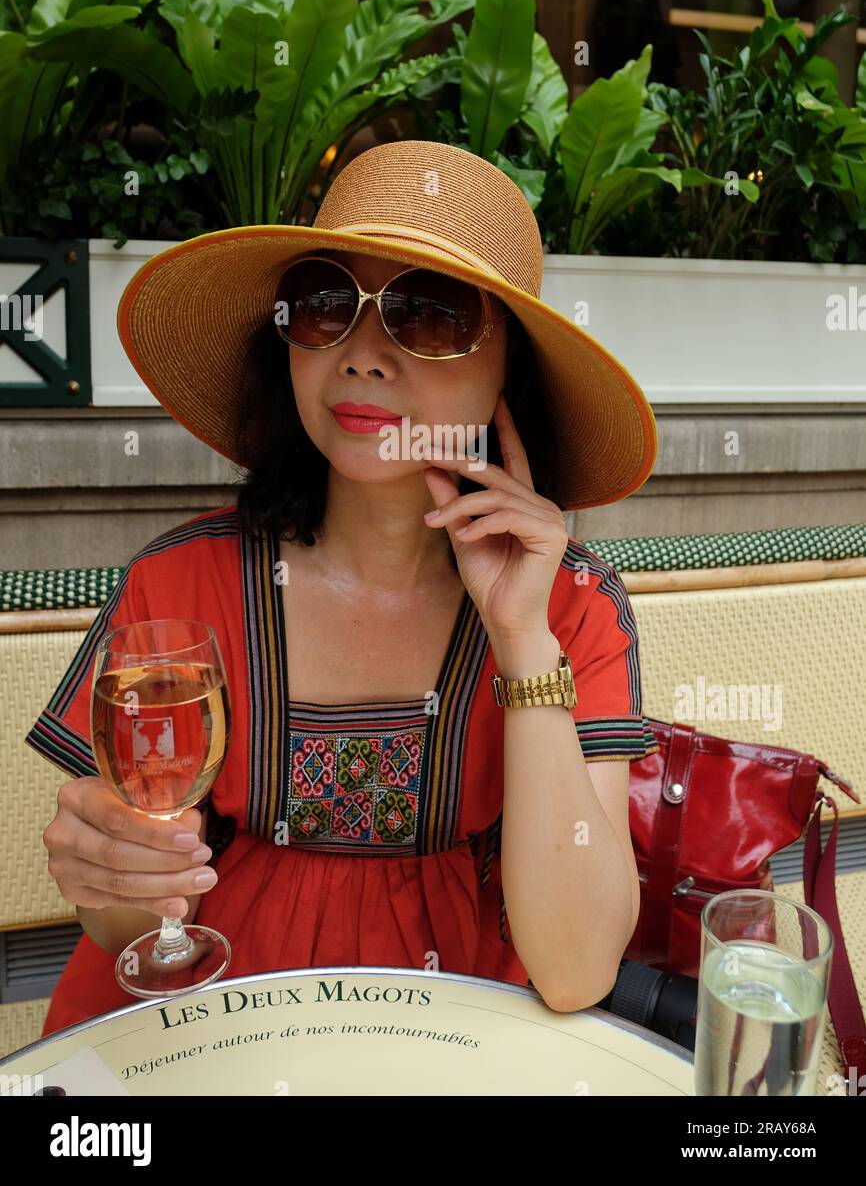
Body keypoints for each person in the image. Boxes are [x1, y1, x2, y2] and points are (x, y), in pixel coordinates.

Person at [26, 139, 660, 1035]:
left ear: (509, 368)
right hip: (200, 1027)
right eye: (324, 306)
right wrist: (110, 880)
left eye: (430, 315)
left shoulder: (571, 606)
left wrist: (521, 639)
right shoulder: (177, 584)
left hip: (455, 1030)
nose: (362, 358)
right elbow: (137, 926)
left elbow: (576, 967)